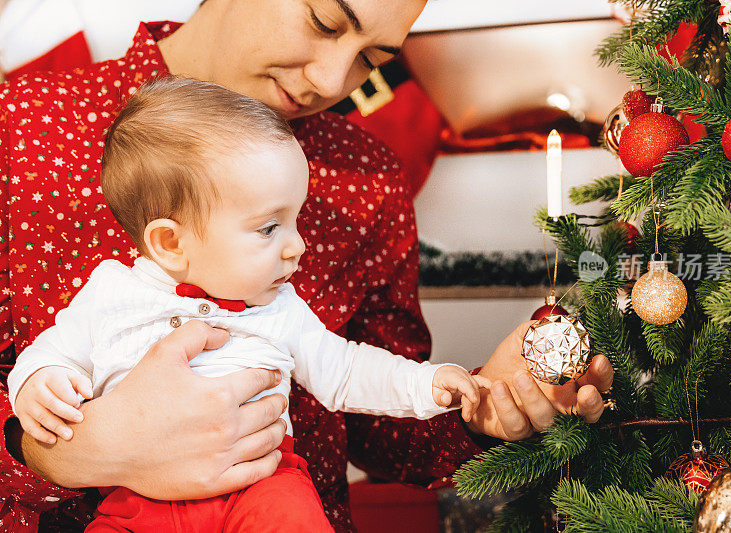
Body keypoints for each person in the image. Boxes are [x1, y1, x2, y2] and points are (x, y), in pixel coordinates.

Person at [0, 1, 613, 530]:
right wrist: (71, 451)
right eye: (323, 21)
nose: (328, 79)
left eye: (371, 59)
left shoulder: (367, 177)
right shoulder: (24, 128)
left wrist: (482, 399)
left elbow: (378, 427)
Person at [9, 76, 486, 532]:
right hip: (136, 500)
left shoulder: (280, 306)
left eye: (295, 220)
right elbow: (53, 352)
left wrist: (426, 384)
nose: (297, 245)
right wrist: (41, 382)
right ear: (171, 243)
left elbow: (343, 371)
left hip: (264, 484)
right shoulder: (111, 292)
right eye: (268, 227)